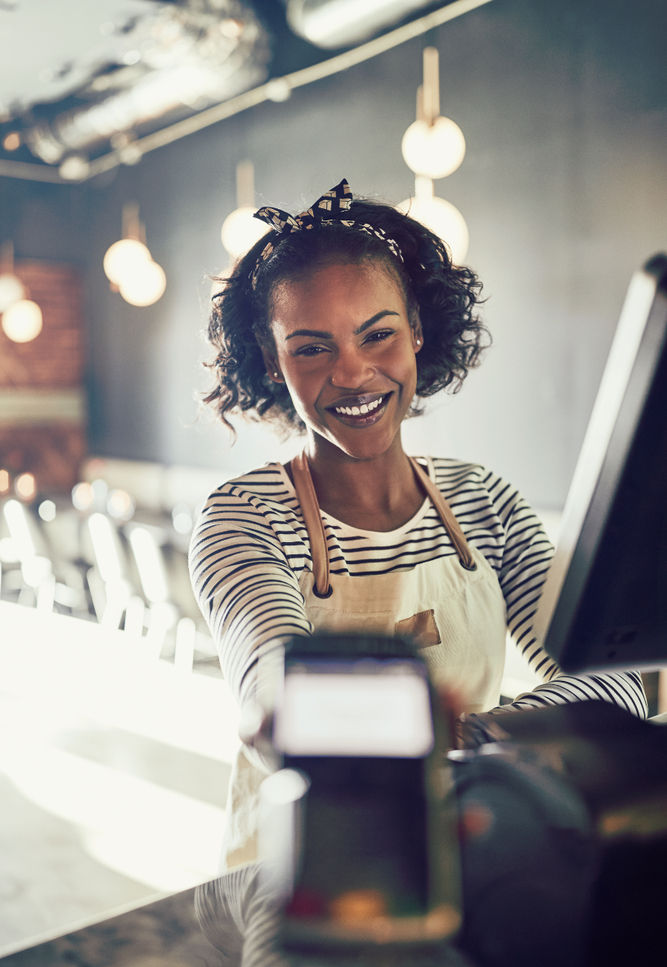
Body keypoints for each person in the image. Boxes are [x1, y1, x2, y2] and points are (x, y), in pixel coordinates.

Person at [189, 178, 647, 868]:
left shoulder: (482, 500)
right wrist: (482, 733)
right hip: (299, 874)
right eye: (311, 348)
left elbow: (618, 675)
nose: (353, 373)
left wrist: (479, 729)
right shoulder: (244, 518)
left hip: (463, 855)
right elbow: (276, 693)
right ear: (270, 358)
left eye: (378, 335)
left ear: (417, 333)